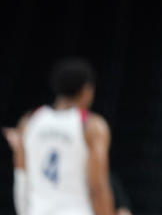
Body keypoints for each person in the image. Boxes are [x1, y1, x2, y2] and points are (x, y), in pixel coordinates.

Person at [3, 58, 115, 215]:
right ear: (87, 90)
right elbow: (97, 187)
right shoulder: (91, 126)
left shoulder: (29, 121)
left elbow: (21, 175)